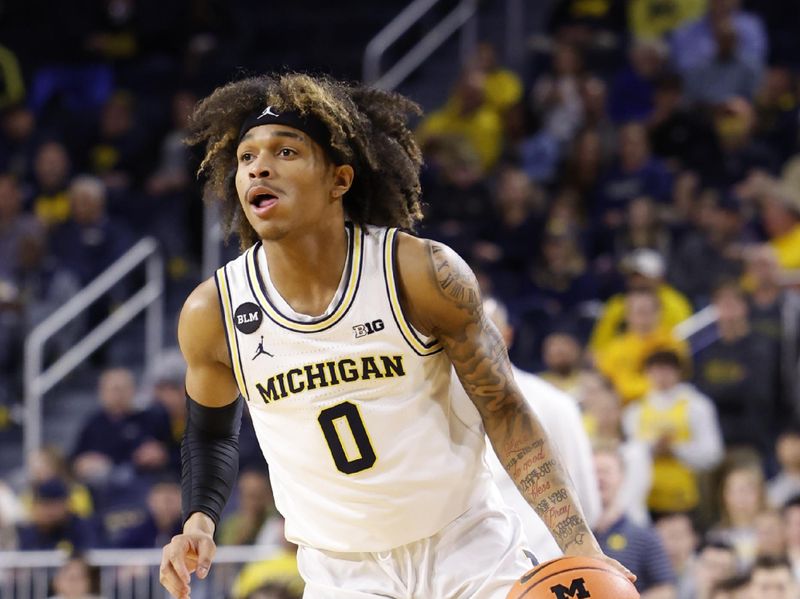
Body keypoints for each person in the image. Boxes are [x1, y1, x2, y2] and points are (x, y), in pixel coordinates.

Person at [159, 72, 632, 599]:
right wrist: (198, 520)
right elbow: (210, 432)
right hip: (343, 573)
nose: (259, 168)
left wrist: (580, 546)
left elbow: (505, 409)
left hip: (466, 547)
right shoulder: (214, 311)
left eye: (286, 151)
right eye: (246, 158)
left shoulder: (418, 273)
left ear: (340, 180)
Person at [465, 298, 600, 562]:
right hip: (469, 568)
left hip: (543, 562)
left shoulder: (554, 403)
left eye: (486, 327)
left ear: (507, 334)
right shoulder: (438, 404)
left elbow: (587, 500)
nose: (476, 338)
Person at [623, 349, 724, 515]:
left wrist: (675, 450)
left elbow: (713, 454)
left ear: (678, 372)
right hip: (646, 498)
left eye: (666, 370)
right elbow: (629, 453)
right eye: (655, 370)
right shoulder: (635, 411)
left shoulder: (697, 406)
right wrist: (652, 449)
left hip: (687, 497)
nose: (661, 376)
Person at [593, 443, 677, 597]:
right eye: (594, 472)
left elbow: (666, 590)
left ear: (622, 477)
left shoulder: (644, 536)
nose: (600, 478)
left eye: (606, 471)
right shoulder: (571, 537)